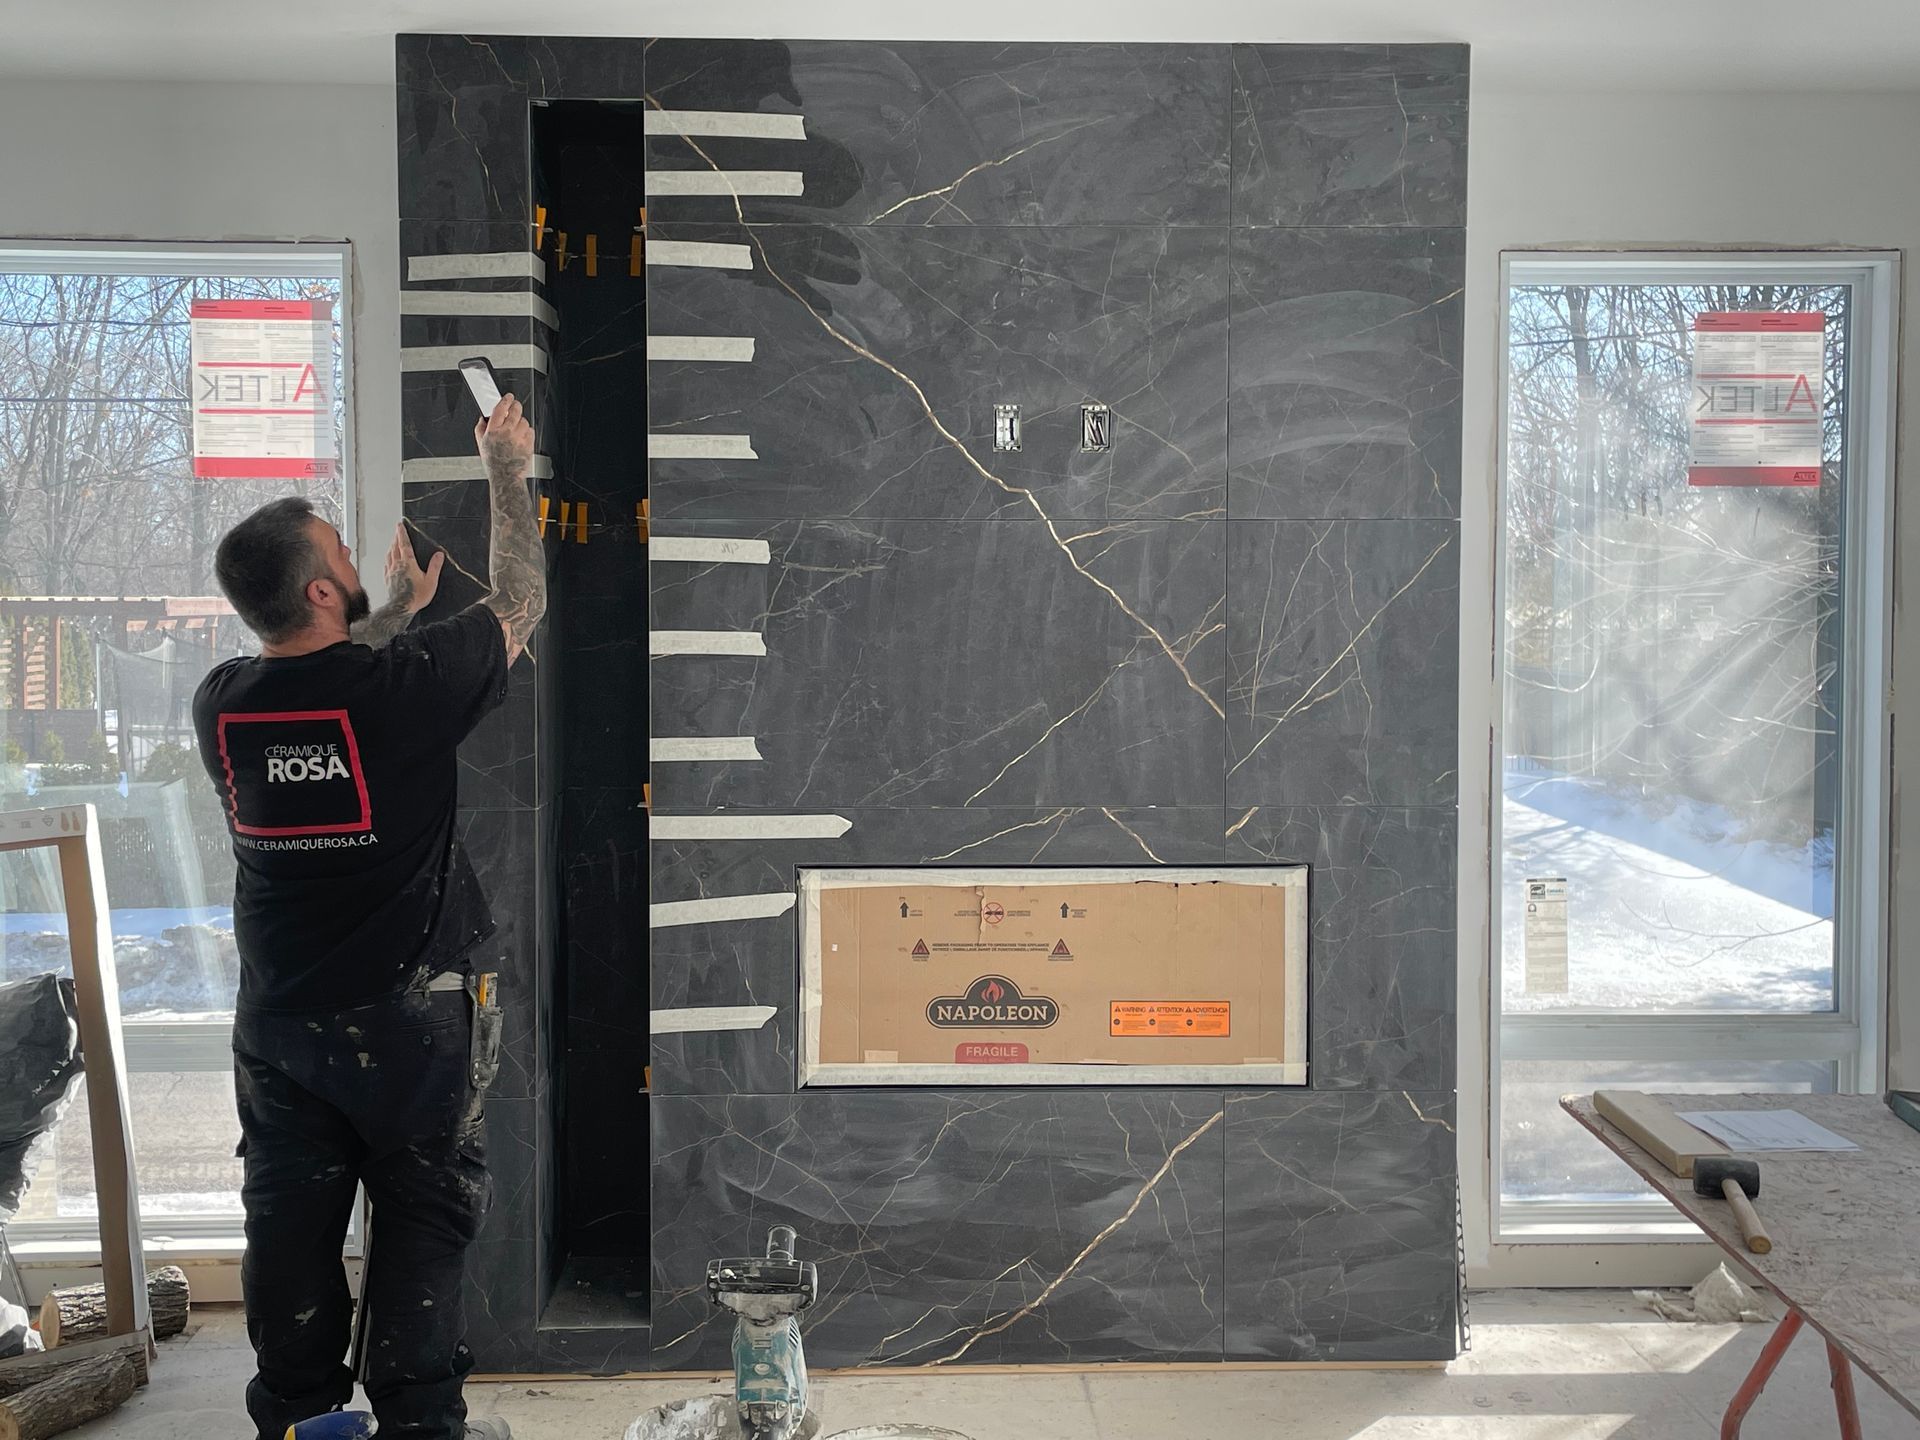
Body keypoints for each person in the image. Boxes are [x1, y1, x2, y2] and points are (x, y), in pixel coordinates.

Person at [192, 395, 546, 1440]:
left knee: (289, 1233)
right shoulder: (409, 688)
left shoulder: (222, 701)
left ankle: (298, 1420)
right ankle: (419, 1423)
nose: (355, 563)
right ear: (317, 586)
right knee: (423, 1224)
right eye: (341, 556)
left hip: (283, 1030)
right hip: (410, 1027)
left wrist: (384, 610)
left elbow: (323, 691)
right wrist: (506, 469)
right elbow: (521, 599)